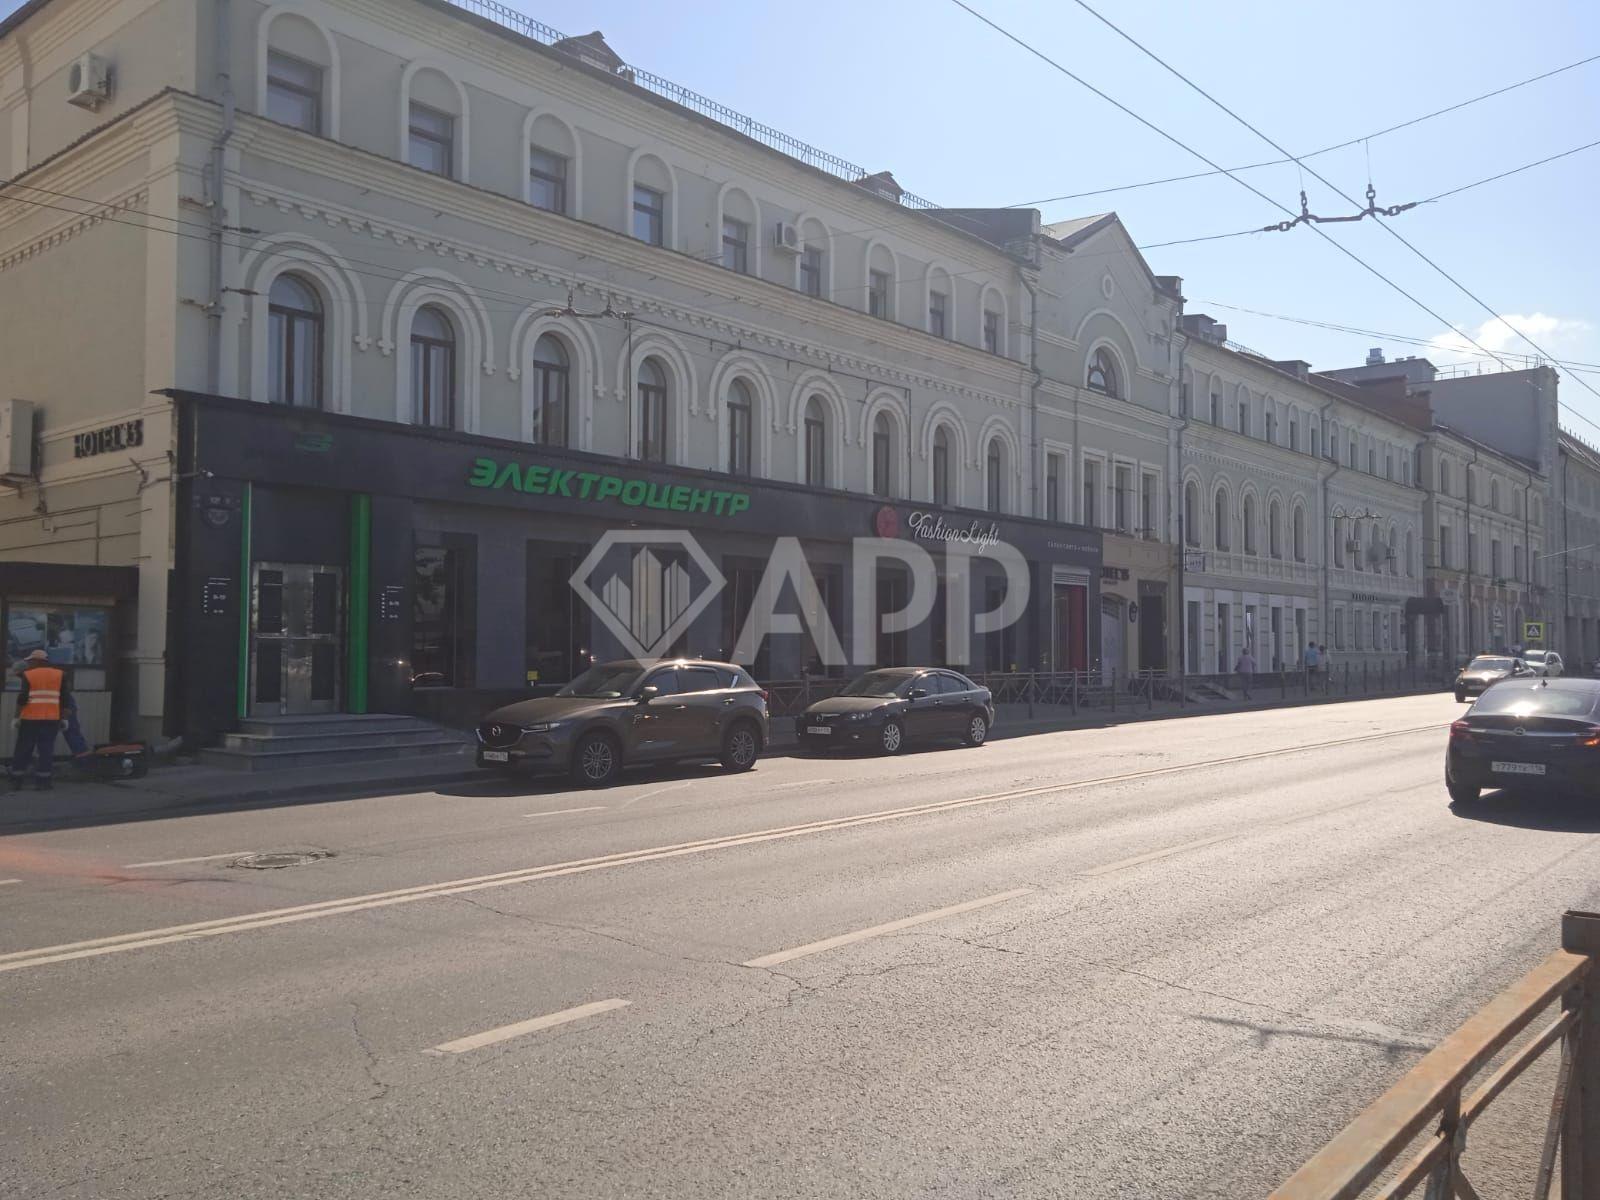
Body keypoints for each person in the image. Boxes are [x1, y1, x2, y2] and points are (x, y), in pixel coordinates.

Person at [10, 648, 69, 790]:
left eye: (30, 661)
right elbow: (64, 699)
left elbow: (22, 698)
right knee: (46, 749)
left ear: (37, 661)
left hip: (30, 718)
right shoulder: (60, 674)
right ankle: (44, 782)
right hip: (51, 719)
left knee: (23, 748)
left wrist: (16, 717)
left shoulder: (28, 675)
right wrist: (64, 718)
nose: (29, 664)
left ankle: (17, 780)